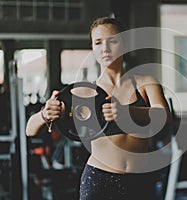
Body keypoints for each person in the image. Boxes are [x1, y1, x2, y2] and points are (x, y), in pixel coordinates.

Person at [26, 17, 171, 200]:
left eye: (113, 41)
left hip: (140, 180)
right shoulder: (84, 92)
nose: (105, 48)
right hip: (100, 180)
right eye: (98, 43)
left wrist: (127, 113)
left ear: (125, 44)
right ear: (92, 48)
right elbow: (30, 130)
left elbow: (165, 116)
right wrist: (45, 114)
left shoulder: (145, 82)